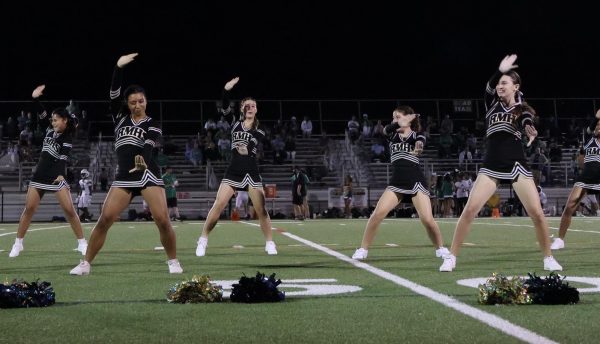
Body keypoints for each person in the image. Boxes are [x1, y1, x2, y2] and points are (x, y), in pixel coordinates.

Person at [439, 54, 562, 272]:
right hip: (491, 165)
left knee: (536, 213)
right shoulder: (491, 105)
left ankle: (548, 257)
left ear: (516, 86)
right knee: (469, 211)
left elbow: (525, 119)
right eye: (498, 83)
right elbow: (487, 88)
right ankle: (452, 257)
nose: (499, 86)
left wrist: (528, 128)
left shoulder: (522, 109)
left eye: (504, 83)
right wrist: (499, 71)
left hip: (516, 164)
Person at [70, 53, 182, 275]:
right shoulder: (119, 119)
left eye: (141, 101)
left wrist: (142, 159)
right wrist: (118, 68)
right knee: (104, 219)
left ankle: (173, 261)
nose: (137, 104)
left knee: (162, 219)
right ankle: (85, 264)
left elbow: (149, 143)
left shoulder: (153, 123)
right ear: (128, 104)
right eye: (133, 102)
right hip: (125, 176)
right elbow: (113, 94)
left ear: (146, 101)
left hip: (148, 174)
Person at [352, 106, 449, 261]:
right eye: (393, 117)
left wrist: (419, 145)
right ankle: (363, 250)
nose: (393, 120)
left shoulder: (418, 135)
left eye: (397, 117)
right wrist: (402, 121)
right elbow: (385, 130)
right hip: (397, 181)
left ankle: (441, 248)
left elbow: (421, 141)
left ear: (407, 119)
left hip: (415, 180)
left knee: (427, 219)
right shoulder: (392, 135)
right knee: (377, 214)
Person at [195, 76, 277, 256]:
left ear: (256, 110)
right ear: (241, 108)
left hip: (251, 171)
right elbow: (224, 107)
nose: (250, 108)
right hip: (234, 171)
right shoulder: (234, 123)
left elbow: (254, 142)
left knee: (261, 209)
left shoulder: (260, 128)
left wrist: (246, 148)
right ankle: (203, 239)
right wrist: (226, 89)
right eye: (246, 105)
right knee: (218, 204)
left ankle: (270, 242)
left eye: (253, 106)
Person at [9, 85, 87, 258]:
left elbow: (63, 157)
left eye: (56, 120)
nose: (53, 122)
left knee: (69, 210)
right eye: (52, 120)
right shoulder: (49, 130)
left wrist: (60, 174)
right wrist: (36, 98)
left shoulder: (67, 138)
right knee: (29, 209)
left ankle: (82, 243)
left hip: (56, 177)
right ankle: (18, 243)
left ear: (64, 121)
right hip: (39, 176)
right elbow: (42, 112)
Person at [551, 110, 600, 250]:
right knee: (569, 207)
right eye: (596, 126)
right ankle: (560, 240)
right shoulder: (589, 140)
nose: (597, 128)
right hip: (586, 176)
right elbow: (581, 158)